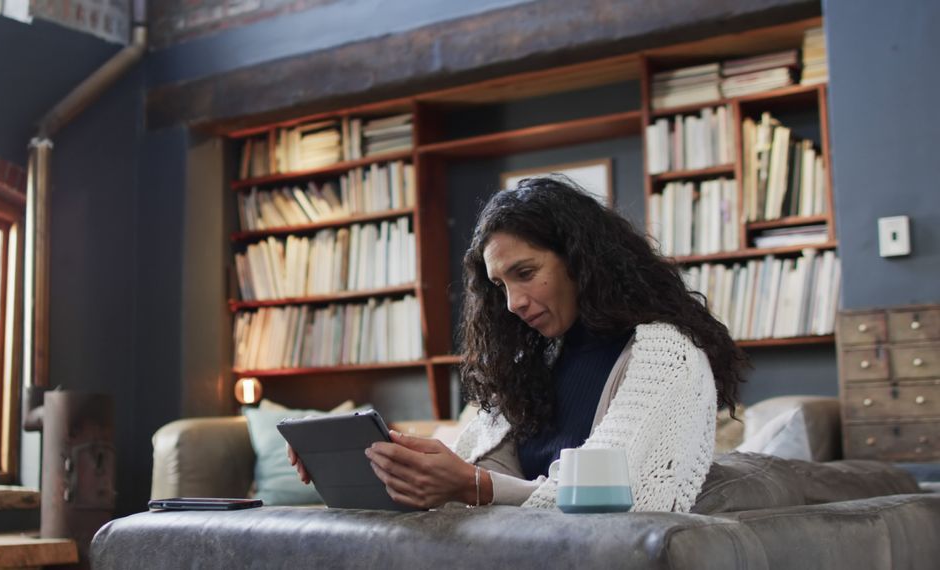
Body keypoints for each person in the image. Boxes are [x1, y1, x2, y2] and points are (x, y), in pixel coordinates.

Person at [289, 175, 748, 512]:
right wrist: (378, 464)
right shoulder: (537, 359)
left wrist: (471, 485)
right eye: (500, 286)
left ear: (581, 260)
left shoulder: (668, 356)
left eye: (525, 274)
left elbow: (627, 508)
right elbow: (478, 475)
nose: (513, 303)